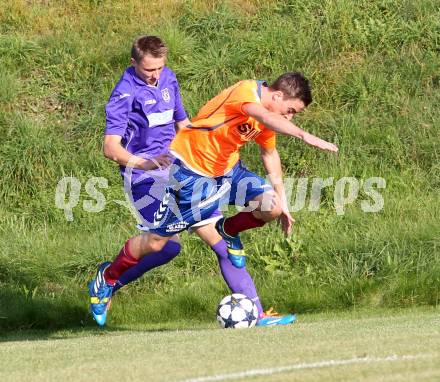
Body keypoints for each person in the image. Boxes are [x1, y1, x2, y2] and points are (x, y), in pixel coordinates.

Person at [90, 35, 292, 327]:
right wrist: (143, 162)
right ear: (133, 63)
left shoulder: (167, 78)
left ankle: (257, 315)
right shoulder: (124, 94)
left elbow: (183, 123)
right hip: (146, 179)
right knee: (163, 246)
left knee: (221, 244)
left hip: (184, 172)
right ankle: (108, 278)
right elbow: (110, 148)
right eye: (148, 70)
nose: (155, 75)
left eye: (159, 68)